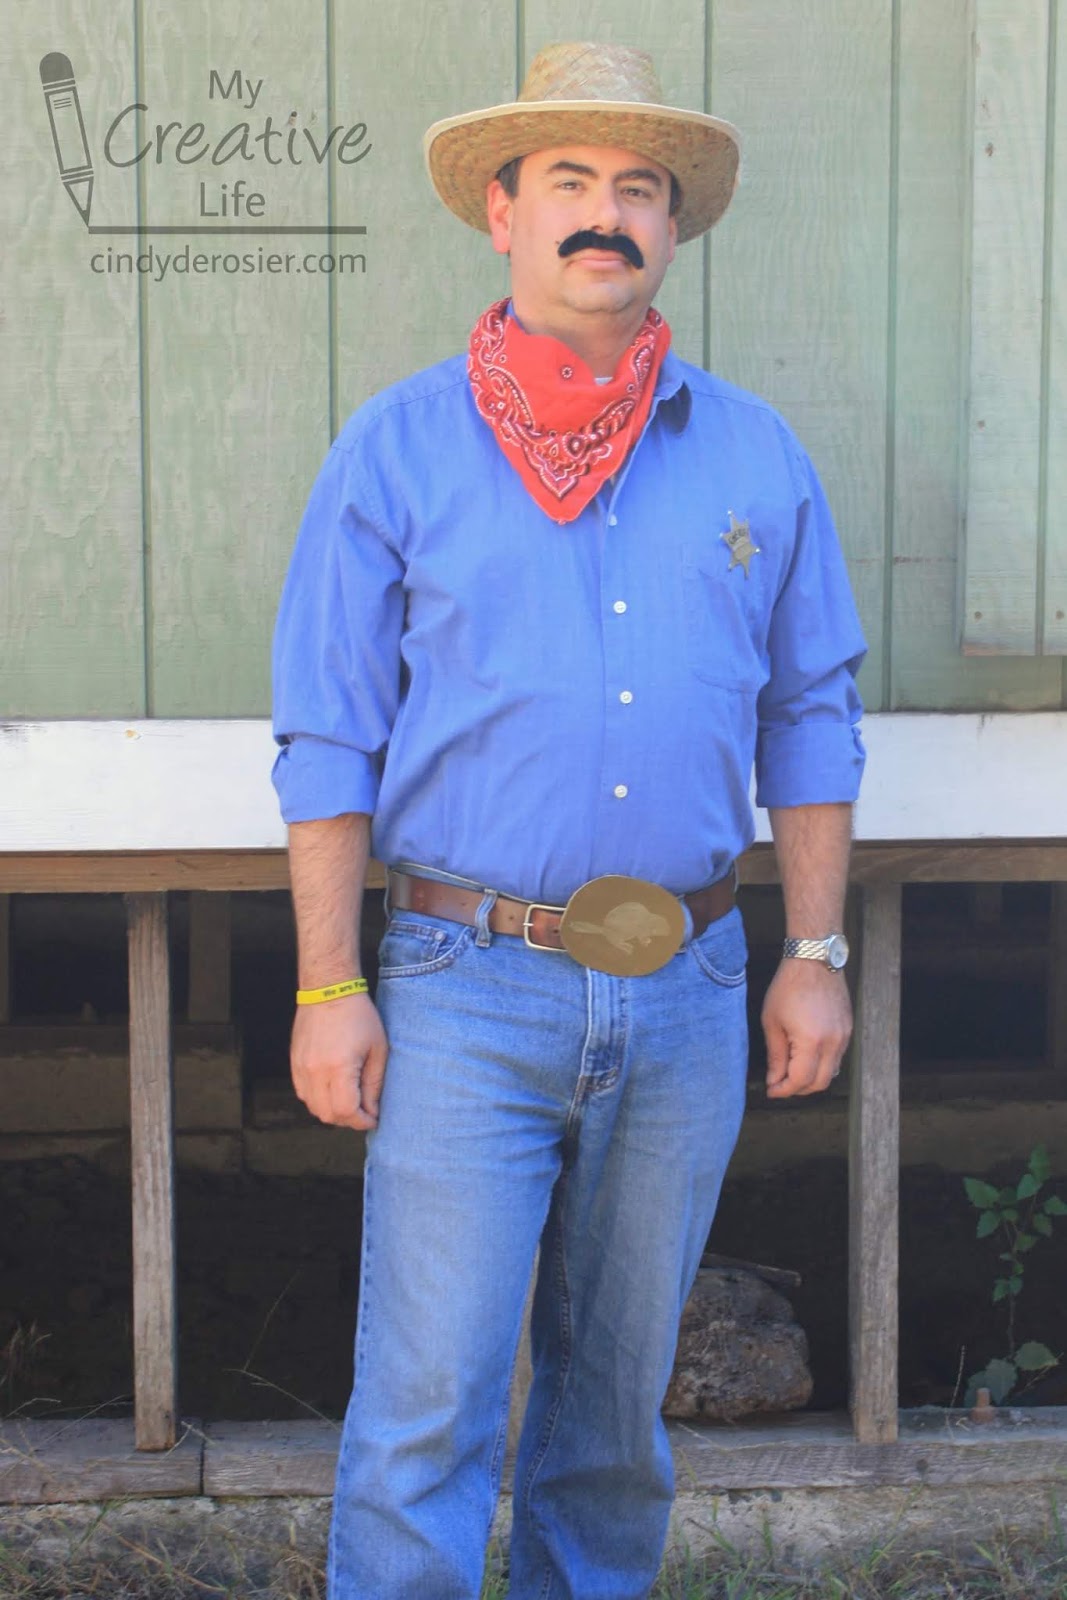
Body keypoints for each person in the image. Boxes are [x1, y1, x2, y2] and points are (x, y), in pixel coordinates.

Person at [271, 40, 866, 1600]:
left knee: (613, 1420)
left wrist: (814, 947)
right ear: (502, 211)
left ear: (672, 227)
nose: (608, 217)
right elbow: (330, 739)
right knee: (425, 1413)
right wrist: (329, 987)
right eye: (574, 185)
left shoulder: (754, 454)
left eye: (640, 189)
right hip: (468, 983)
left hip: (687, 985)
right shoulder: (395, 451)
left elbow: (810, 713)